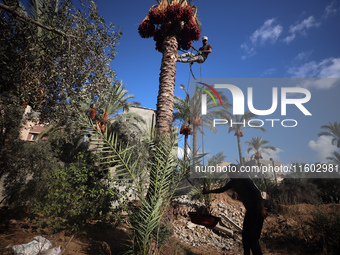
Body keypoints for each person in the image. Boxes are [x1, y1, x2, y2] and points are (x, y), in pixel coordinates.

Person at [203, 164, 268, 255]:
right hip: (250, 212)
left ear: (235, 172)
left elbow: (257, 193)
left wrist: (262, 209)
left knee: (253, 239)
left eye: (230, 172)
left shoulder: (244, 179)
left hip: (257, 212)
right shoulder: (233, 183)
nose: (229, 174)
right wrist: (208, 192)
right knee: (245, 237)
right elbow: (221, 189)